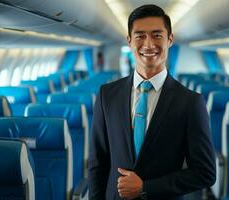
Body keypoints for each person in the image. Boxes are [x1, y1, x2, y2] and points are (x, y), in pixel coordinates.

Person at [89, 4, 216, 200]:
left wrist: (145, 187)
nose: (148, 45)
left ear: (170, 39)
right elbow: (98, 164)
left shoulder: (190, 102)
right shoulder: (107, 95)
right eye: (140, 36)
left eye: (157, 35)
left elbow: (205, 173)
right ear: (130, 41)